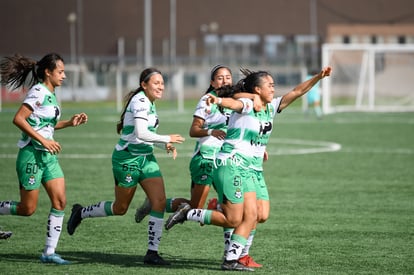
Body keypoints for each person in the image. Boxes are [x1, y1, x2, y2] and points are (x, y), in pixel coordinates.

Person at [165, 66, 332, 271]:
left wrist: (318, 77)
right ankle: (192, 215)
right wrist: (217, 100)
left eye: (273, 85)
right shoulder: (247, 103)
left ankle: (232, 258)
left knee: (258, 215)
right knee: (234, 218)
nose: (273, 88)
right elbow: (232, 102)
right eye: (269, 85)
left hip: (252, 169)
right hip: (231, 164)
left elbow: (297, 92)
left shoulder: (272, 107)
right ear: (257, 90)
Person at [66, 67, 185, 266]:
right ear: (143, 85)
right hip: (126, 160)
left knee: (158, 201)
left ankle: (152, 253)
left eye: (162, 83)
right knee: (120, 208)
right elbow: (140, 133)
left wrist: (163, 144)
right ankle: (81, 212)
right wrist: (166, 138)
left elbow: (144, 136)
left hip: (146, 159)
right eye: (156, 83)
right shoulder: (140, 101)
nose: (160, 86)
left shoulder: (150, 102)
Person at [0, 53, 88, 264]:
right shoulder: (38, 91)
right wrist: (44, 141)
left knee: (60, 201)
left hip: (48, 157)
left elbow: (45, 125)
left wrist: (68, 123)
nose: (64, 76)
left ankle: (49, 253)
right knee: (27, 209)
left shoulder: (51, 93)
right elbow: (19, 119)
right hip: (31, 154)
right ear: (48, 72)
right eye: (61, 71)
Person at [134, 64, 233, 221]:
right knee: (197, 209)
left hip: (225, 160)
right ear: (213, 82)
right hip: (205, 157)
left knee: (230, 207)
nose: (225, 81)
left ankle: (154, 204)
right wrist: (210, 131)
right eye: (220, 78)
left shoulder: (234, 100)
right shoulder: (207, 101)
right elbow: (193, 130)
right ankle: (155, 204)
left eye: (228, 78)